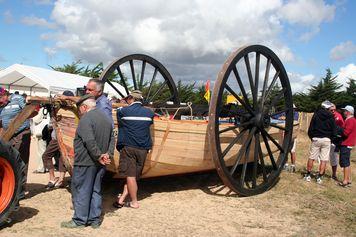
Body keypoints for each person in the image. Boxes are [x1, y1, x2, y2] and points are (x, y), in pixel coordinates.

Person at [61, 94, 114, 229]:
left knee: (81, 190)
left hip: (86, 161)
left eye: (79, 110)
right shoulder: (106, 118)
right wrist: (108, 155)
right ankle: (94, 220)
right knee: (96, 190)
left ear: (84, 107)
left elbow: (89, 140)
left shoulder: (86, 119)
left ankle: (79, 220)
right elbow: (112, 138)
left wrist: (98, 156)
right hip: (101, 162)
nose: (79, 112)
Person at [113, 90, 154, 209]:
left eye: (127, 99)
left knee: (130, 176)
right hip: (143, 149)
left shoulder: (123, 111)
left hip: (129, 147)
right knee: (133, 176)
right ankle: (121, 200)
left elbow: (119, 118)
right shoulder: (149, 113)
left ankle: (134, 202)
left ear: (131, 98)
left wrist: (123, 104)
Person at [0, 91, 37, 179]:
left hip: (21, 132)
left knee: (20, 158)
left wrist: (18, 120)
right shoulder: (2, 106)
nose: (0, 103)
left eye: (0, 100)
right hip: (7, 134)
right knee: (8, 158)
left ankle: (21, 184)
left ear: (4, 95)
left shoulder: (18, 98)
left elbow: (32, 111)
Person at [42, 90, 75, 188]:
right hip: (58, 137)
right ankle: (57, 179)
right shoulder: (62, 109)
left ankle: (57, 179)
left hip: (62, 138)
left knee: (57, 157)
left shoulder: (70, 109)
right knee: (59, 158)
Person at [305, 100, 337, 184]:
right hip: (326, 139)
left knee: (311, 157)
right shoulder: (331, 116)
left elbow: (311, 128)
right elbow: (334, 130)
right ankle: (319, 177)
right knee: (324, 159)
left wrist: (312, 137)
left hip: (316, 138)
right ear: (328, 107)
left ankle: (308, 175)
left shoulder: (316, 114)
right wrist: (331, 139)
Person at [338, 105, 356, 187]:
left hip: (346, 143)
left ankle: (345, 180)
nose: (343, 112)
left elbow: (346, 133)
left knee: (344, 162)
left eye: (345, 111)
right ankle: (348, 179)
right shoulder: (351, 120)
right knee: (347, 162)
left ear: (348, 112)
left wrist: (339, 129)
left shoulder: (350, 120)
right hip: (348, 143)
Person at [30, 107, 50, 173]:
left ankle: (41, 168)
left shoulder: (43, 109)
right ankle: (46, 167)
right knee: (45, 150)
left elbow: (36, 119)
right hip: (48, 131)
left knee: (41, 151)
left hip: (42, 133)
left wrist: (31, 117)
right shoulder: (50, 109)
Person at [328, 103, 344, 180]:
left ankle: (334, 174)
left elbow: (342, 128)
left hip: (335, 140)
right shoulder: (326, 115)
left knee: (334, 157)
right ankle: (321, 171)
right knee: (323, 157)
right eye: (332, 110)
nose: (333, 111)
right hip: (327, 138)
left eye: (334, 110)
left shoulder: (338, 116)